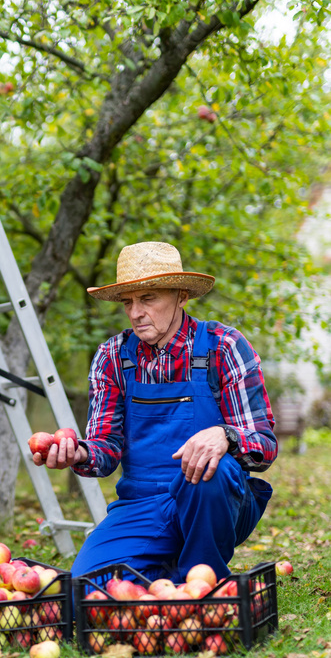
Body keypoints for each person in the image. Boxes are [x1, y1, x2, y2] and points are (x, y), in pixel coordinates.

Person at [32, 241, 276, 583]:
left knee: (212, 469)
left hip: (213, 501)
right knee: (89, 589)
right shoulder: (113, 356)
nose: (135, 313)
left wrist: (225, 435)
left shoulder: (224, 346)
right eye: (128, 302)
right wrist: (79, 453)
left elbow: (264, 446)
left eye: (148, 299)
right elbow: (105, 450)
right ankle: (169, 573)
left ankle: (202, 583)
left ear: (181, 296)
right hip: (142, 506)